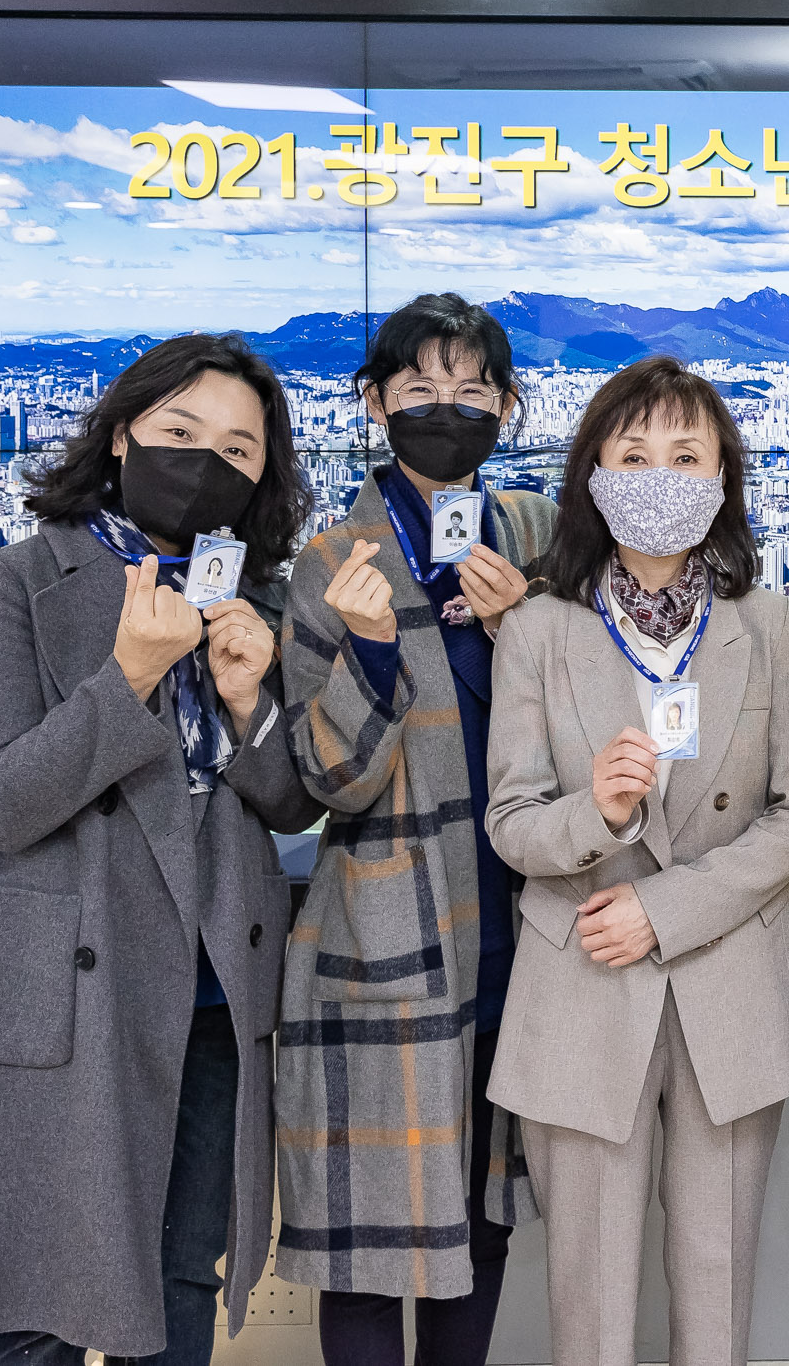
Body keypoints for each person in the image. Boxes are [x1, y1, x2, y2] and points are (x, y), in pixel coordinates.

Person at [0, 333, 319, 1364]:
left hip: (208, 993)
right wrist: (130, 675)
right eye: (180, 433)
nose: (206, 464)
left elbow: (286, 805)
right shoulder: (11, 587)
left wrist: (248, 703)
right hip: (71, 993)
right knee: (38, 1301)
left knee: (183, 1274)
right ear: (118, 436)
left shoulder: (251, 598)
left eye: (238, 451)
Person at [485, 356, 789, 1366]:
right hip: (583, 982)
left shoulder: (766, 620)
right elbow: (513, 820)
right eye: (634, 453)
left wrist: (665, 909)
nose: (660, 474)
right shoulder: (541, 629)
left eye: (686, 454)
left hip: (728, 982)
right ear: (591, 468)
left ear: (723, 473)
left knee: (717, 1287)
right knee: (587, 1299)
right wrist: (595, 811)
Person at [276, 294, 552, 1365]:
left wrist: (520, 626)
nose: (450, 409)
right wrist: (373, 652)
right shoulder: (329, 562)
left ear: (509, 404)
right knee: (367, 1238)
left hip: (517, 936)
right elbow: (325, 778)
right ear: (375, 399)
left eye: (474, 389)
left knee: (479, 1224)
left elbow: (584, 721)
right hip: (381, 939)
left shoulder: (530, 532)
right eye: (423, 388)